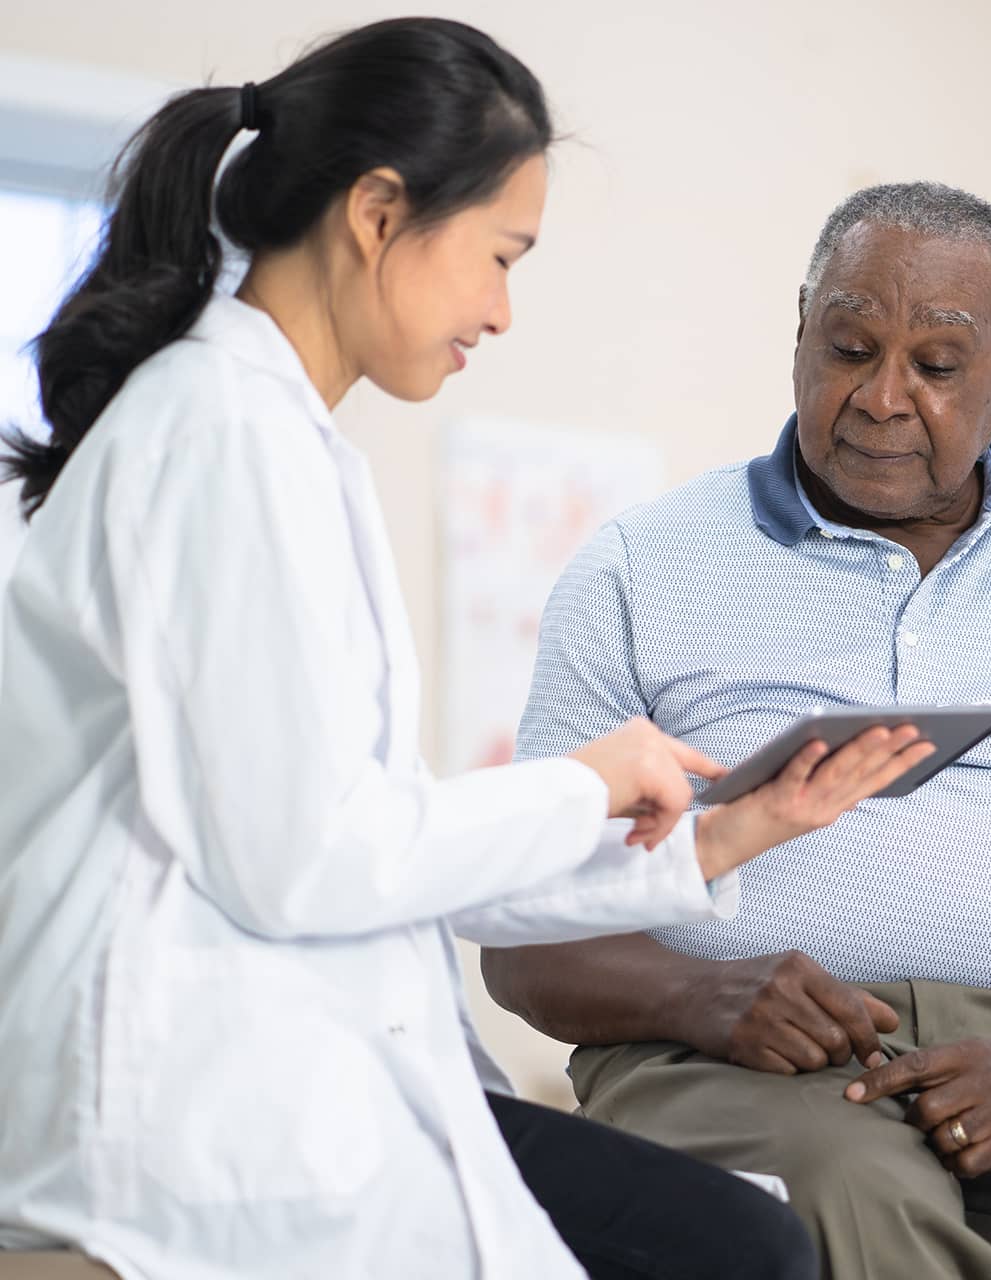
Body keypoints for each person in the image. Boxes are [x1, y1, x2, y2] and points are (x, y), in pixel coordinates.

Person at [0, 21, 939, 1280]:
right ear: (378, 214)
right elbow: (308, 858)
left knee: (738, 1238)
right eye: (499, 256)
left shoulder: (274, 437)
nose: (500, 311)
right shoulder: (222, 436)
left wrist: (720, 835)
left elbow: (366, 842)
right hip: (178, 1094)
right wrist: (588, 779)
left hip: (278, 1054)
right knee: (739, 1246)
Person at [483, 181, 991, 1279]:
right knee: (854, 1190)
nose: (881, 397)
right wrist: (703, 994)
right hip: (722, 1053)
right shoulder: (637, 568)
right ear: (799, 332)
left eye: (937, 366)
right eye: (848, 346)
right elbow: (527, 933)